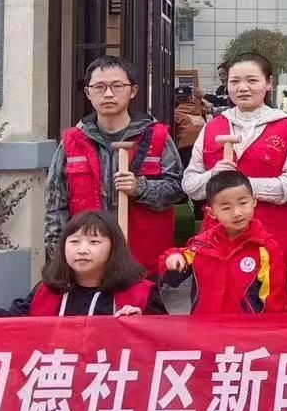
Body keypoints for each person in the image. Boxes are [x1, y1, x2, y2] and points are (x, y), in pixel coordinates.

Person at [43, 55, 184, 271]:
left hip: (143, 262)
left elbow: (177, 189)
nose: (108, 94)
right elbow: (55, 204)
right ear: (88, 93)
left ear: (133, 91)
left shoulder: (157, 137)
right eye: (99, 87)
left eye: (117, 86)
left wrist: (140, 188)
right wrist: (60, 255)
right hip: (87, 262)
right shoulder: (72, 141)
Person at [182, 52, 287, 266]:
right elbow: (190, 184)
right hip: (216, 244)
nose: (242, 88)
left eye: (252, 80)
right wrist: (213, 176)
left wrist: (241, 186)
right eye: (234, 82)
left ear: (269, 83)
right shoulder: (212, 127)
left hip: (269, 242)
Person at [0, 210, 162, 328]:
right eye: (74, 241)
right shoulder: (47, 292)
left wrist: (141, 324)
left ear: (114, 248)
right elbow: (13, 320)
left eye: (94, 242)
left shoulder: (141, 294)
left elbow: (166, 339)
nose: (82, 250)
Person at [160, 172, 287, 314]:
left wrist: (269, 327)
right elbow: (173, 274)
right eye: (226, 208)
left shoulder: (266, 248)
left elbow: (274, 300)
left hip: (246, 327)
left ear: (254, 201)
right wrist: (172, 258)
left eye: (243, 203)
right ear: (212, 212)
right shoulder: (202, 245)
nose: (237, 213)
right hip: (204, 324)